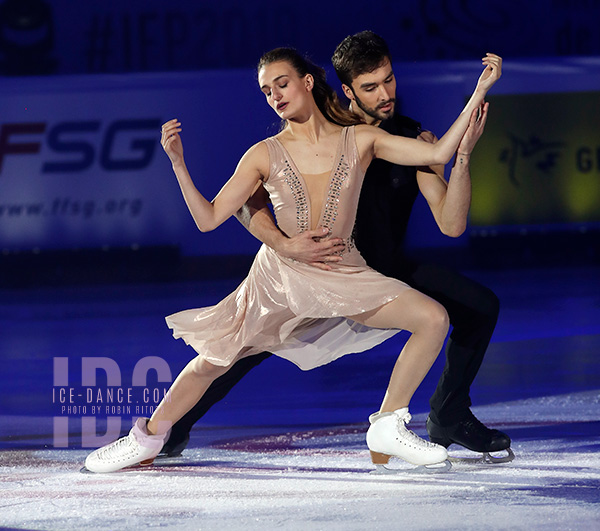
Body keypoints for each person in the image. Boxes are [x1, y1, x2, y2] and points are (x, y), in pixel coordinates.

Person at [84, 46, 501, 473]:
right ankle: (146, 438)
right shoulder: (263, 153)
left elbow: (437, 154)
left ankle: (387, 423)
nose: (275, 96)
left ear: (306, 82)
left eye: (281, 84)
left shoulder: (361, 139)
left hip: (342, 270)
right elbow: (209, 219)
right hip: (279, 277)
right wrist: (178, 164)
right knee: (215, 360)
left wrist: (479, 91)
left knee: (431, 317)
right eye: (267, 91)